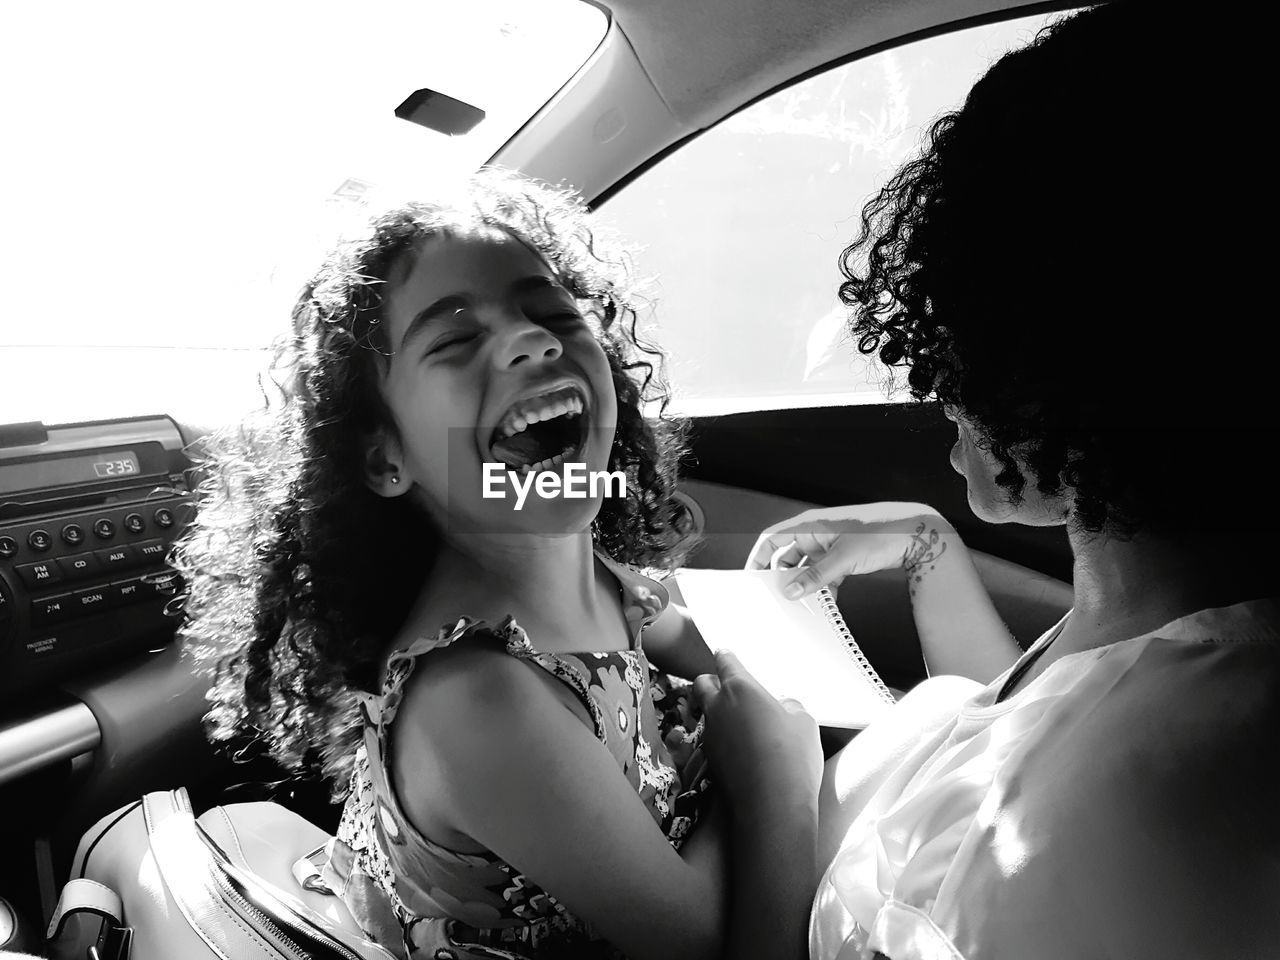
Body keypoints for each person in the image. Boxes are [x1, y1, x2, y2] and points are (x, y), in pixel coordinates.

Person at [692, 4, 1279, 958]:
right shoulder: (1163, 607)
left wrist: (771, 795)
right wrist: (929, 545)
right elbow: (1014, 739)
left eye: (967, 325)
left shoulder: (1139, 830)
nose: (934, 378)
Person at [173, 170, 818, 960]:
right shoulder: (478, 704)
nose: (534, 338)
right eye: (453, 340)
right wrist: (776, 785)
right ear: (385, 459)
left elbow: (686, 643)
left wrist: (746, 701)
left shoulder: (604, 581)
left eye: (552, 314)